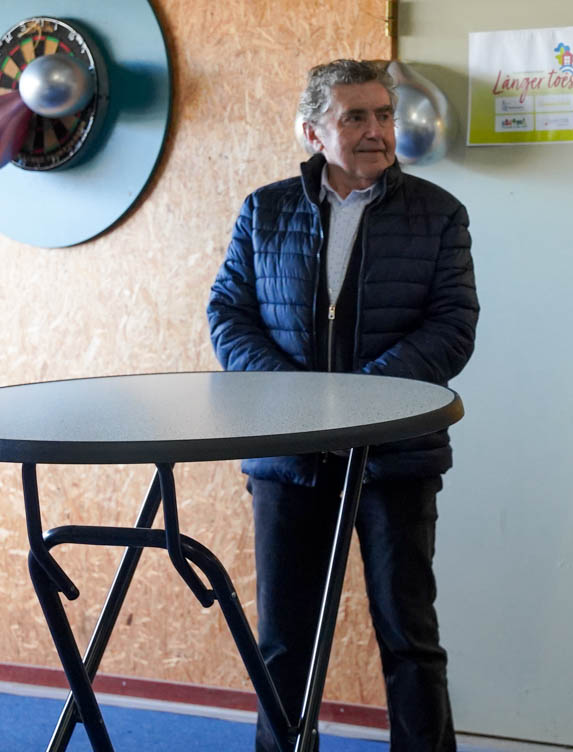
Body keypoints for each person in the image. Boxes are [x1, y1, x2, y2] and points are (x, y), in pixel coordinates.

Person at [207, 59, 478, 752]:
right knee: (284, 644)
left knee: (409, 637)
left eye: (384, 115)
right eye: (355, 117)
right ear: (312, 133)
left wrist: (363, 401)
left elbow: (453, 327)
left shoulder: (439, 214)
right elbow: (228, 315)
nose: (377, 131)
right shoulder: (265, 210)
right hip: (287, 455)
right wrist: (296, 399)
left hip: (395, 458)